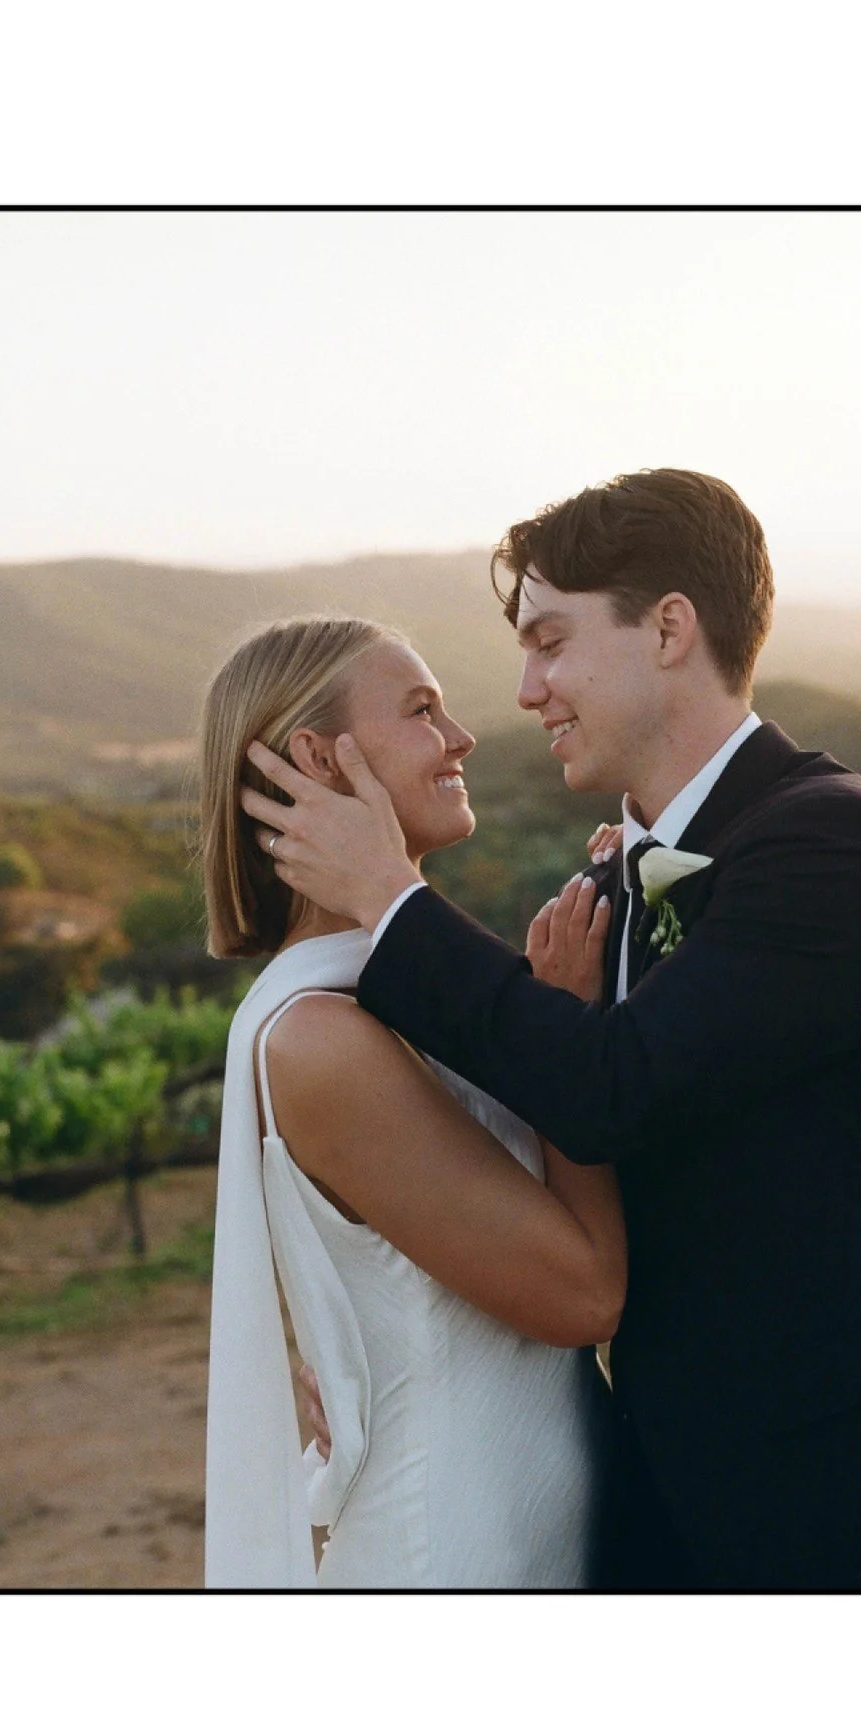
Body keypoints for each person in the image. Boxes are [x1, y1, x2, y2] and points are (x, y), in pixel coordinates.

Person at [242, 468, 861, 1593]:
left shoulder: (833, 841)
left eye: (550, 643)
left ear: (669, 630)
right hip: (661, 1497)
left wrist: (392, 899)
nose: (526, 690)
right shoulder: (614, 885)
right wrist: (347, 1331)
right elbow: (521, 1144)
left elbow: (610, 1089)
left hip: (858, 1490)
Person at [200, 616, 622, 1590]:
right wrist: (570, 1038)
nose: (461, 737)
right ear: (320, 759)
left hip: (539, 1518)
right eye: (423, 711)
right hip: (460, 1548)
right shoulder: (319, 1037)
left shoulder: (409, 991)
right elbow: (585, 1294)